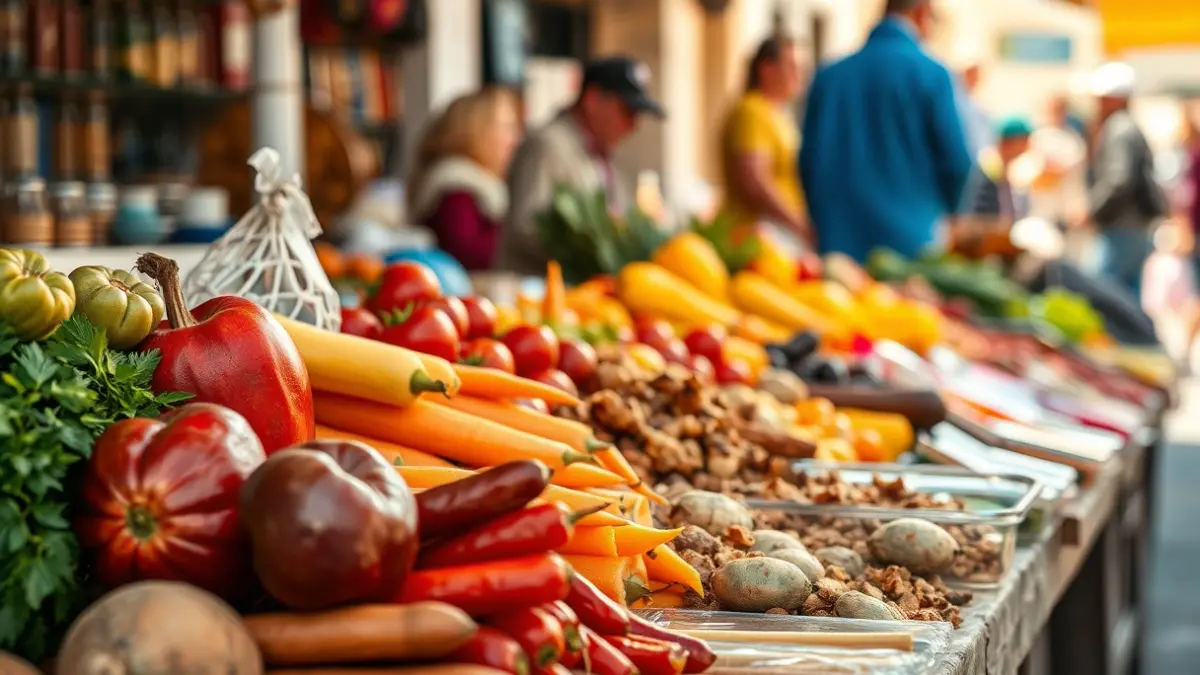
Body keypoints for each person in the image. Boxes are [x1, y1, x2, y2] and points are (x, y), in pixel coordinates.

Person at [799, 0, 973, 262]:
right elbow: (958, 161)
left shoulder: (829, 76)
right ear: (922, 13)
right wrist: (953, 213)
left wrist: (820, 218)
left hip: (840, 241)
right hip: (912, 241)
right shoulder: (933, 74)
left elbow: (807, 161)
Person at [500, 56, 665, 275]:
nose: (634, 126)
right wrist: (596, 243)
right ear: (593, 100)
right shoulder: (548, 145)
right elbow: (527, 225)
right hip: (536, 293)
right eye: (627, 112)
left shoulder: (600, 153)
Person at [406, 87, 521, 271]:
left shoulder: (478, 183)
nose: (515, 139)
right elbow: (466, 253)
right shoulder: (456, 188)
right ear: (478, 131)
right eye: (507, 127)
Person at [719, 34, 810, 253]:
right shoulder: (752, 111)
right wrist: (797, 223)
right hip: (759, 236)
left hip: (777, 234)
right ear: (766, 69)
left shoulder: (778, 114)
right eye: (791, 66)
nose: (799, 75)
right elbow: (754, 181)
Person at [1086, 61, 1167, 298]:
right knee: (1128, 295)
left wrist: (1094, 211)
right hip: (1134, 226)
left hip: (1121, 227)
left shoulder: (1118, 128)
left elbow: (1119, 180)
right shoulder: (1129, 127)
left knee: (1102, 293)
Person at [970, 116, 1034, 222]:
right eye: (1024, 139)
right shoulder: (989, 166)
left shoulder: (1002, 166)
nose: (1028, 145)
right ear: (1010, 141)